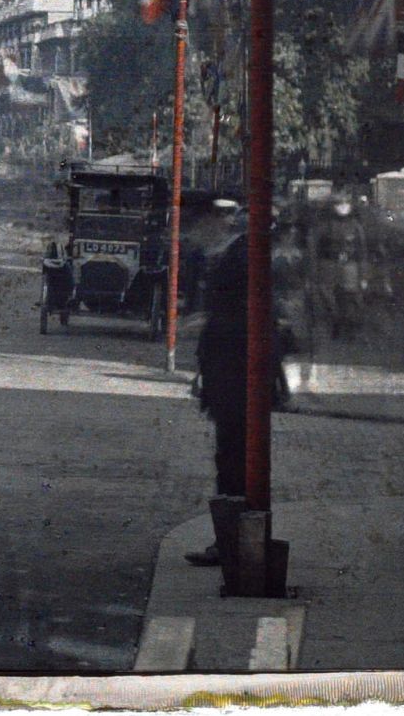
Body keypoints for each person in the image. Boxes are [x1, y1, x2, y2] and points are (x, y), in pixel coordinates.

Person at [187, 199, 250, 565]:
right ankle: (229, 542)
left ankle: (232, 545)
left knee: (233, 459)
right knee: (229, 457)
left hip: (235, 374)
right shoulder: (229, 254)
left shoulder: (238, 257)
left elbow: (240, 318)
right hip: (225, 373)